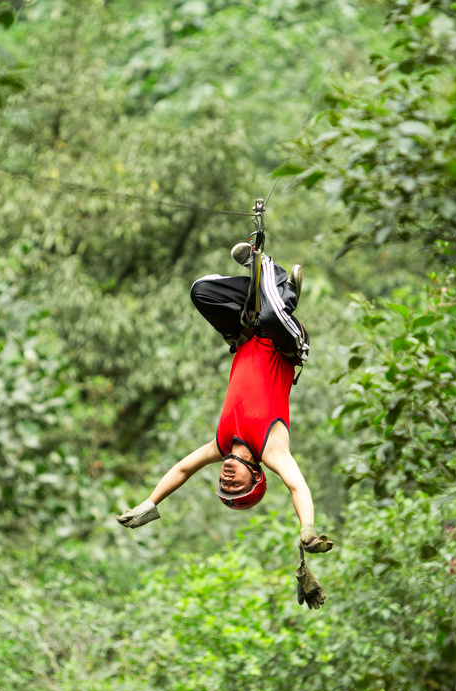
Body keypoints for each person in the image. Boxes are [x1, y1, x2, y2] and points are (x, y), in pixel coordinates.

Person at [117, 242, 333, 608]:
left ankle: (267, 288)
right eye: (237, 486)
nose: (227, 479)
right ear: (256, 477)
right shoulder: (271, 447)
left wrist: (149, 503)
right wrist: (306, 530)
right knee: (271, 317)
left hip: (246, 335)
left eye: (224, 484)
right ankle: (276, 280)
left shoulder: (220, 445)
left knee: (201, 290)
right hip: (288, 344)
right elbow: (297, 486)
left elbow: (184, 468)